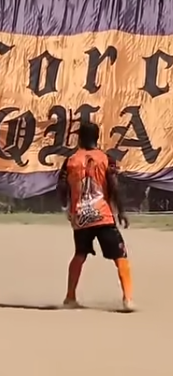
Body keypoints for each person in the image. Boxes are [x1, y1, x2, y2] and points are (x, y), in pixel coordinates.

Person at [56, 121, 134, 312]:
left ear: (80, 138)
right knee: (120, 256)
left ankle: (70, 297)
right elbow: (114, 186)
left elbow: (61, 185)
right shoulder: (106, 159)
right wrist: (121, 210)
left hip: (81, 215)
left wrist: (67, 205)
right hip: (102, 215)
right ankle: (128, 299)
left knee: (80, 254)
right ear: (97, 137)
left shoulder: (71, 160)